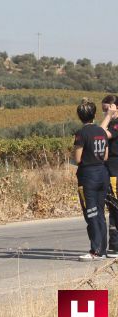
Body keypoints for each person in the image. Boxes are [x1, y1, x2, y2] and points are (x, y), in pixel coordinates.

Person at [73, 99, 111, 261]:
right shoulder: (102, 132)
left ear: (79, 116)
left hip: (88, 176)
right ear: (95, 115)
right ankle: (102, 249)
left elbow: (77, 159)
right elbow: (106, 155)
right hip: (103, 173)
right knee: (100, 213)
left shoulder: (81, 133)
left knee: (91, 213)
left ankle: (95, 251)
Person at [99, 95, 118, 257]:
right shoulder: (111, 123)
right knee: (112, 207)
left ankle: (115, 245)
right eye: (103, 110)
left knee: (114, 208)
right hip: (109, 170)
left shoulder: (116, 124)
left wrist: (108, 116)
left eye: (107, 109)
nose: (105, 112)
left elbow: (99, 134)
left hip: (115, 171)